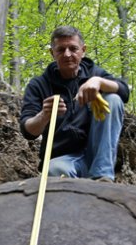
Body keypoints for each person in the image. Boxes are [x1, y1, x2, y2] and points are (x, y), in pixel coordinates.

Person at [19, 26, 130, 181]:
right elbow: (28, 130)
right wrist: (44, 115)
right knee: (55, 170)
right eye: (61, 49)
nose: (67, 54)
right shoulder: (39, 84)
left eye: (73, 48)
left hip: (96, 155)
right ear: (52, 53)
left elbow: (124, 91)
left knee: (113, 99)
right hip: (62, 160)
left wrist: (98, 82)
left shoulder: (94, 73)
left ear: (83, 50)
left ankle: (102, 177)